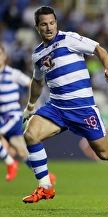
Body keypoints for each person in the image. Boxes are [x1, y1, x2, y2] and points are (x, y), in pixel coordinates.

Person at [22, 6, 108, 203]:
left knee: (104, 153)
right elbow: (37, 82)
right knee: (30, 135)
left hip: (82, 109)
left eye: (52, 23)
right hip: (56, 107)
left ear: (56, 23)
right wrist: (30, 106)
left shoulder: (69, 39)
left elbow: (99, 49)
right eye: (44, 24)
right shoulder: (38, 54)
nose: (49, 28)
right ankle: (45, 186)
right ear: (37, 27)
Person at [0, 44, 55, 183]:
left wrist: (32, 104)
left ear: (4, 56)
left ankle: (10, 163)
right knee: (23, 152)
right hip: (2, 119)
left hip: (13, 116)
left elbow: (31, 83)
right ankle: (47, 177)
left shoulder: (12, 73)